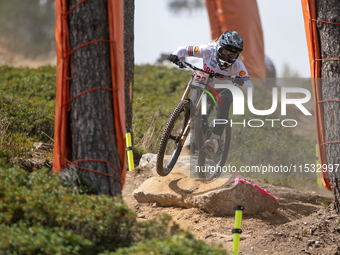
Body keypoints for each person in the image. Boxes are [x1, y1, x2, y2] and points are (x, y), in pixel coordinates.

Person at [167, 30, 254, 154]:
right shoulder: (208, 49)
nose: (227, 57)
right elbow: (184, 49)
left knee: (224, 101)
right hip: (205, 82)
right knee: (194, 95)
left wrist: (242, 82)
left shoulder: (238, 65)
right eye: (225, 52)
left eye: (232, 55)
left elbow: (250, 88)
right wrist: (175, 55)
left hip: (224, 88)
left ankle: (215, 140)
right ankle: (191, 133)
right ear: (218, 48)